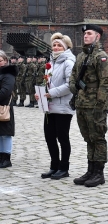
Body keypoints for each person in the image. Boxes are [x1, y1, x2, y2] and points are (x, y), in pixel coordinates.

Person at [70, 24, 108, 187]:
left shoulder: (101, 57)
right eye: (85, 34)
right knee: (88, 138)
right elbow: (73, 75)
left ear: (98, 36)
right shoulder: (81, 56)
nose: (85, 36)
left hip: (95, 105)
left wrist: (100, 105)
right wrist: (73, 87)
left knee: (98, 137)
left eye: (89, 33)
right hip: (82, 103)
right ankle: (90, 169)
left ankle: (98, 172)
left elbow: (106, 82)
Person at [36, 33, 76, 180]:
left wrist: (51, 93)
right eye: (54, 45)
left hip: (63, 107)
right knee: (49, 137)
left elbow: (70, 85)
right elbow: (47, 83)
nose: (56, 47)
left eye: (59, 45)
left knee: (62, 138)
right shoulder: (51, 62)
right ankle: (54, 166)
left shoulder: (69, 62)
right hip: (50, 107)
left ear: (66, 47)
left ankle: (64, 168)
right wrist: (41, 94)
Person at [0, 50, 18, 168]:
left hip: (4, 107)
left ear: (5, 61)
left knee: (5, 134)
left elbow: (5, 92)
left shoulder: (8, 74)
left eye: (0, 60)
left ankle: (6, 158)